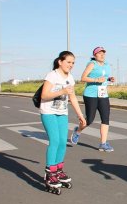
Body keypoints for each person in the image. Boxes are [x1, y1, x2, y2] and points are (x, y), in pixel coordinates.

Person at [40, 51, 86, 192]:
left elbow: (72, 98)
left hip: (62, 113)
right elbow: (44, 95)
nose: (71, 65)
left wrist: (81, 116)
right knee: (54, 141)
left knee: (62, 142)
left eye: (73, 63)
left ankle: (58, 170)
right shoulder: (52, 75)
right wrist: (62, 91)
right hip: (49, 112)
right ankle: (50, 174)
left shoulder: (70, 78)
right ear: (60, 61)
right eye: (68, 62)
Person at [70, 46, 116, 152]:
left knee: (105, 118)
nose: (102, 55)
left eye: (103, 53)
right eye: (100, 53)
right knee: (89, 120)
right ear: (95, 55)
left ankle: (103, 143)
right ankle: (77, 131)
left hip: (103, 94)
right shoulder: (92, 64)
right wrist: (96, 80)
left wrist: (109, 79)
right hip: (91, 94)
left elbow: (104, 77)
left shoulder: (107, 65)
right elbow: (83, 78)